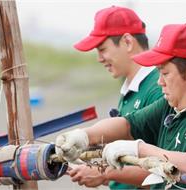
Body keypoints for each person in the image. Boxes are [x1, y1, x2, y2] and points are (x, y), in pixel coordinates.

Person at [56, 23, 186, 189]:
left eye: (165, 73)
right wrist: (84, 135)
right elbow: (128, 125)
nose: (159, 82)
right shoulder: (173, 103)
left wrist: (139, 149)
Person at [69, 6, 163, 189]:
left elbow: (167, 168)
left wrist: (103, 173)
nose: (99, 58)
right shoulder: (130, 88)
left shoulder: (158, 89)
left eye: (102, 49)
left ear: (128, 42)